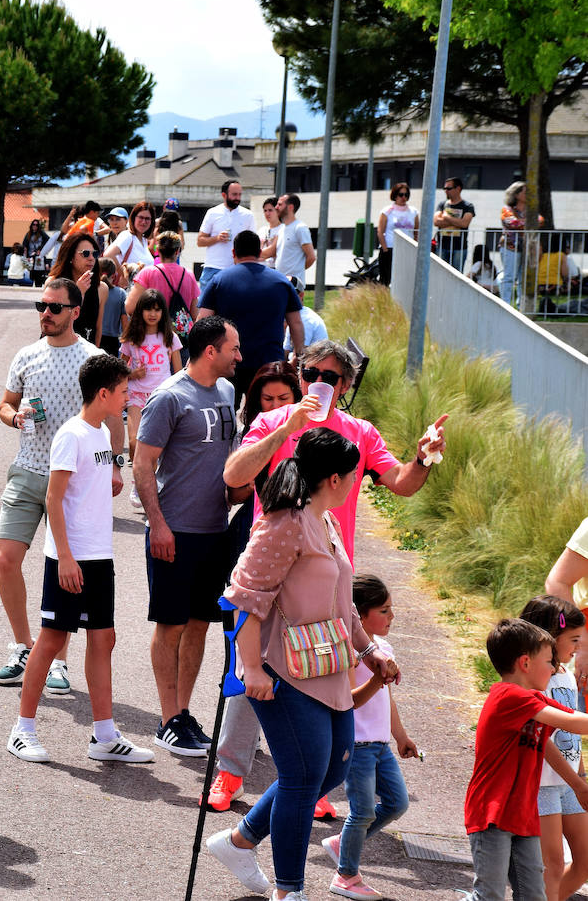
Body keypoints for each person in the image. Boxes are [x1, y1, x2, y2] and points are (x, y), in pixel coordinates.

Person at [207, 428, 398, 901]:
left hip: (326, 664)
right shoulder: (285, 522)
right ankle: (289, 891)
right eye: (354, 474)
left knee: (330, 770)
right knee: (301, 779)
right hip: (283, 668)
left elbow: (343, 605)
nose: (357, 481)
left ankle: (240, 841)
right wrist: (250, 670)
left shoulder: (325, 521)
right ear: (335, 477)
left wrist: (368, 652)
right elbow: (245, 599)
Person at [6, 354, 155, 765]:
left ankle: (104, 736)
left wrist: (110, 477)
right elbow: (53, 499)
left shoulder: (103, 433)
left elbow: (91, 481)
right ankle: (23, 730)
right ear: (103, 393)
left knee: (103, 639)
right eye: (124, 392)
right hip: (69, 558)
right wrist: (66, 558)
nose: (128, 398)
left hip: (98, 555)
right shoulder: (70, 435)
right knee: (52, 640)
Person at [0, 279, 118, 693]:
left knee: (69, 570)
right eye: (41, 306)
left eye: (54, 307)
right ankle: (24, 646)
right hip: (28, 468)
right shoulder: (27, 355)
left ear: (75, 312)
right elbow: (5, 404)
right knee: (5, 558)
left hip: (74, 479)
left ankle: (58, 659)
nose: (45, 313)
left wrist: (115, 465)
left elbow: (113, 416)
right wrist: (15, 416)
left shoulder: (93, 358)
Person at [224, 339, 448, 561]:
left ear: (345, 386)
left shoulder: (362, 432)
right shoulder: (272, 421)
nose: (317, 382)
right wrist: (285, 430)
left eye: (329, 378)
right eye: (310, 374)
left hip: (330, 565)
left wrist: (422, 459)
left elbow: (401, 482)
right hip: (275, 560)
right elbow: (234, 476)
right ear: (301, 378)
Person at [133, 315, 242, 757]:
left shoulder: (228, 392)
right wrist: (158, 525)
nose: (240, 356)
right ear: (211, 351)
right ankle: (166, 720)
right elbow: (142, 466)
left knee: (199, 624)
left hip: (215, 531)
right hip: (174, 532)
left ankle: (182, 712)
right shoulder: (169, 397)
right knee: (171, 625)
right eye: (234, 347)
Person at [206, 362, 310, 813]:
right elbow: (233, 482)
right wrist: (281, 425)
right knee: (247, 668)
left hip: (316, 567)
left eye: (283, 398)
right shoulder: (266, 430)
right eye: (266, 400)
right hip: (261, 560)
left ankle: (314, 784)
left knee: (311, 670)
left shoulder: (326, 436)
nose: (276, 406)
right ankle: (228, 774)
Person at [463, 619, 588, 901]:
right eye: (548, 661)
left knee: (534, 896)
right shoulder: (510, 696)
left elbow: (575, 720)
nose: (554, 668)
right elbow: (573, 722)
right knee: (489, 896)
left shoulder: (534, 699)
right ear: (525, 663)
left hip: (523, 814)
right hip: (492, 814)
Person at [320, 573, 417, 900]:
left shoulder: (384, 647)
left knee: (396, 803)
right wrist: (379, 677)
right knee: (361, 811)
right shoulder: (349, 649)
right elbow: (350, 699)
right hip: (357, 744)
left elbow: (386, 701)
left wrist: (401, 736)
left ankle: (340, 844)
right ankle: (345, 875)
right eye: (385, 611)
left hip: (381, 745)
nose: (392, 617)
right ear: (360, 616)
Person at [518, 596, 588, 901]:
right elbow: (540, 740)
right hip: (542, 785)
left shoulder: (565, 676)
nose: (577, 648)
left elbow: (572, 734)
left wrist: (580, 776)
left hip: (570, 784)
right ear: (549, 636)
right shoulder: (534, 680)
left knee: (584, 862)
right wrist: (576, 782)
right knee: (553, 865)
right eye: (573, 640)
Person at [196, 230, 305, 400]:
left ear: (234, 252)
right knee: (266, 418)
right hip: (269, 364)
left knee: (227, 417)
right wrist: (299, 356)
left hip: (228, 362)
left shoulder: (219, 280)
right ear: (260, 252)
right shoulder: (282, 282)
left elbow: (202, 322)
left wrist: (200, 358)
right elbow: (296, 323)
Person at [119, 289, 181, 467]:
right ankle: (140, 482)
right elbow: (118, 370)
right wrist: (132, 374)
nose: (153, 314)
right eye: (148, 309)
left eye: (157, 309)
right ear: (140, 311)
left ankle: (147, 487)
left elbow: (178, 373)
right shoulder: (131, 338)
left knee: (157, 447)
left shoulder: (171, 337)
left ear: (163, 312)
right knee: (134, 442)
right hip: (136, 395)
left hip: (161, 398)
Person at [128, 231, 199, 350]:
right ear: (177, 251)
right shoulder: (189, 275)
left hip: (152, 341)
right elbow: (195, 314)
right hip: (181, 341)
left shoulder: (147, 273)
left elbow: (129, 307)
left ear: (158, 251)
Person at [48, 231, 108, 347]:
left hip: (86, 355)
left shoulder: (101, 288)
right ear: (71, 257)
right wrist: (77, 293)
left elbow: (98, 329)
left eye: (94, 254)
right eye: (85, 254)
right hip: (56, 350)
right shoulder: (53, 283)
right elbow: (52, 322)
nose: (91, 258)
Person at [197, 180, 254, 291]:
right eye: (234, 194)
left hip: (237, 269)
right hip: (213, 268)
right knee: (205, 306)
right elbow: (200, 241)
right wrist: (217, 238)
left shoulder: (248, 215)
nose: (238, 198)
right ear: (224, 195)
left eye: (240, 194)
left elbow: (253, 244)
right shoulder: (212, 213)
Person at [500, 181, 542, 307]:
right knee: (509, 277)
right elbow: (511, 223)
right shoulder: (507, 209)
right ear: (516, 194)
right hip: (510, 247)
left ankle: (521, 306)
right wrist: (528, 223)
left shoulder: (531, 210)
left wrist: (523, 223)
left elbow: (540, 221)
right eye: (525, 192)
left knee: (523, 278)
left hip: (527, 248)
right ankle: (505, 305)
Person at [377, 183, 417, 287]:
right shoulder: (387, 211)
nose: (404, 197)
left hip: (407, 249)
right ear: (395, 195)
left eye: (406, 195)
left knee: (405, 279)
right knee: (386, 280)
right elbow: (380, 231)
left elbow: (416, 232)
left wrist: (415, 246)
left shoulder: (413, 212)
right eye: (401, 194)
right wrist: (385, 250)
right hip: (390, 248)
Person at [274, 194, 316, 292]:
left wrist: (297, 272)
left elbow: (311, 257)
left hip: (294, 287)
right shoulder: (281, 229)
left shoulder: (300, 228)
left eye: (280, 204)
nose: (276, 207)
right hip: (280, 283)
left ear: (290, 207)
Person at [434, 176, 476, 272]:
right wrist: (457, 221)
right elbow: (436, 221)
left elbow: (464, 223)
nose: (446, 191)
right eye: (444, 188)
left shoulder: (468, 206)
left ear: (458, 189)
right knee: (440, 273)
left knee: (457, 275)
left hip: (459, 248)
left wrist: (446, 217)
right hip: (442, 246)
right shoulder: (442, 204)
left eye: (449, 188)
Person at [109, 202, 155, 277]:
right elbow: (108, 254)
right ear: (133, 218)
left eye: (147, 219)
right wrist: (124, 276)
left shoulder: (144, 240)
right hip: (130, 287)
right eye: (141, 217)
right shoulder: (127, 236)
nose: (143, 222)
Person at [97, 257, 127, 357]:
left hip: (93, 337)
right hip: (112, 342)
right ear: (114, 275)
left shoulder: (91, 290)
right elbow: (125, 323)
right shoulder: (121, 294)